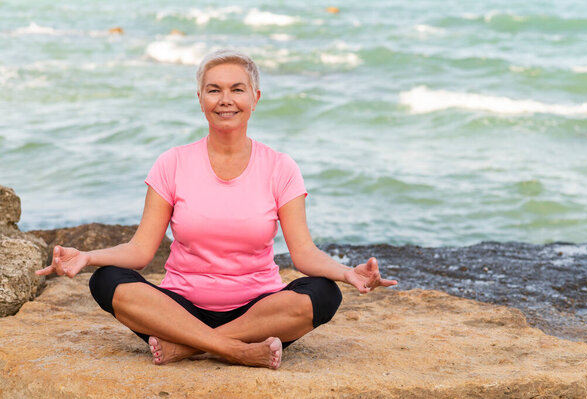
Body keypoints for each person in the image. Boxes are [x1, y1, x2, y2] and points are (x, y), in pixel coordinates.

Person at [36, 49, 397, 370]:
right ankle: (235, 350)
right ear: (200, 98)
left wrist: (347, 273)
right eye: (214, 90)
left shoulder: (280, 167)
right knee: (106, 280)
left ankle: (189, 347)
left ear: (255, 98)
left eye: (237, 89)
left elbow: (303, 254)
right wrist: (87, 256)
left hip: (257, 311)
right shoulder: (172, 162)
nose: (226, 100)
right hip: (179, 309)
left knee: (324, 292)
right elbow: (140, 251)